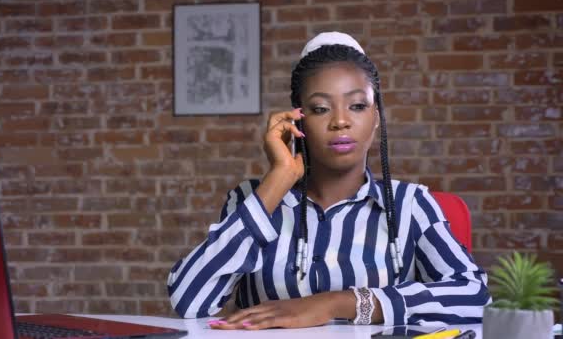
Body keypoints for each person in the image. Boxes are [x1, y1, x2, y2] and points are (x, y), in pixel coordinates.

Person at [167, 32, 491, 330]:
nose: (340, 121)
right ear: (298, 118)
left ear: (376, 116)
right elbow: (189, 301)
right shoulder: (251, 199)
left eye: (358, 105)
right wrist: (277, 181)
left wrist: (339, 303)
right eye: (321, 108)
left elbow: (475, 295)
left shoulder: (410, 205)